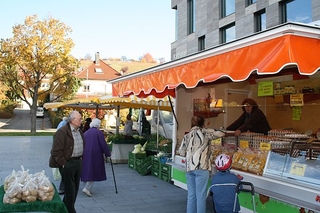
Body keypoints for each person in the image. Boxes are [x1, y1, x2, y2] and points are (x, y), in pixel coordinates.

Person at [178, 116, 225, 213]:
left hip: (189, 168)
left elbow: (181, 152)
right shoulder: (206, 133)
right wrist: (209, 129)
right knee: (201, 196)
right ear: (202, 124)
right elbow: (221, 133)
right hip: (202, 168)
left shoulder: (187, 136)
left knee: (191, 195)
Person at [49, 110, 85, 213]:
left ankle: (63, 209)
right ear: (72, 120)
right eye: (79, 119)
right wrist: (64, 163)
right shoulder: (62, 131)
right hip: (67, 163)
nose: (81, 121)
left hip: (78, 162)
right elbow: (56, 151)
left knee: (75, 190)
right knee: (70, 191)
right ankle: (70, 210)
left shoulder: (79, 130)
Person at [81, 118, 111, 197]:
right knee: (94, 170)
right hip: (96, 154)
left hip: (85, 153)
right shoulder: (99, 133)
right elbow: (103, 144)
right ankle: (87, 188)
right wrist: (108, 153)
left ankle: (85, 186)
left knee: (86, 169)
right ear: (97, 125)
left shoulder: (86, 133)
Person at [56, 116, 69, 195]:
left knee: (66, 175)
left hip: (65, 158)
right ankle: (62, 189)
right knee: (65, 174)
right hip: (64, 158)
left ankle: (64, 189)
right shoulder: (63, 131)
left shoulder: (62, 125)